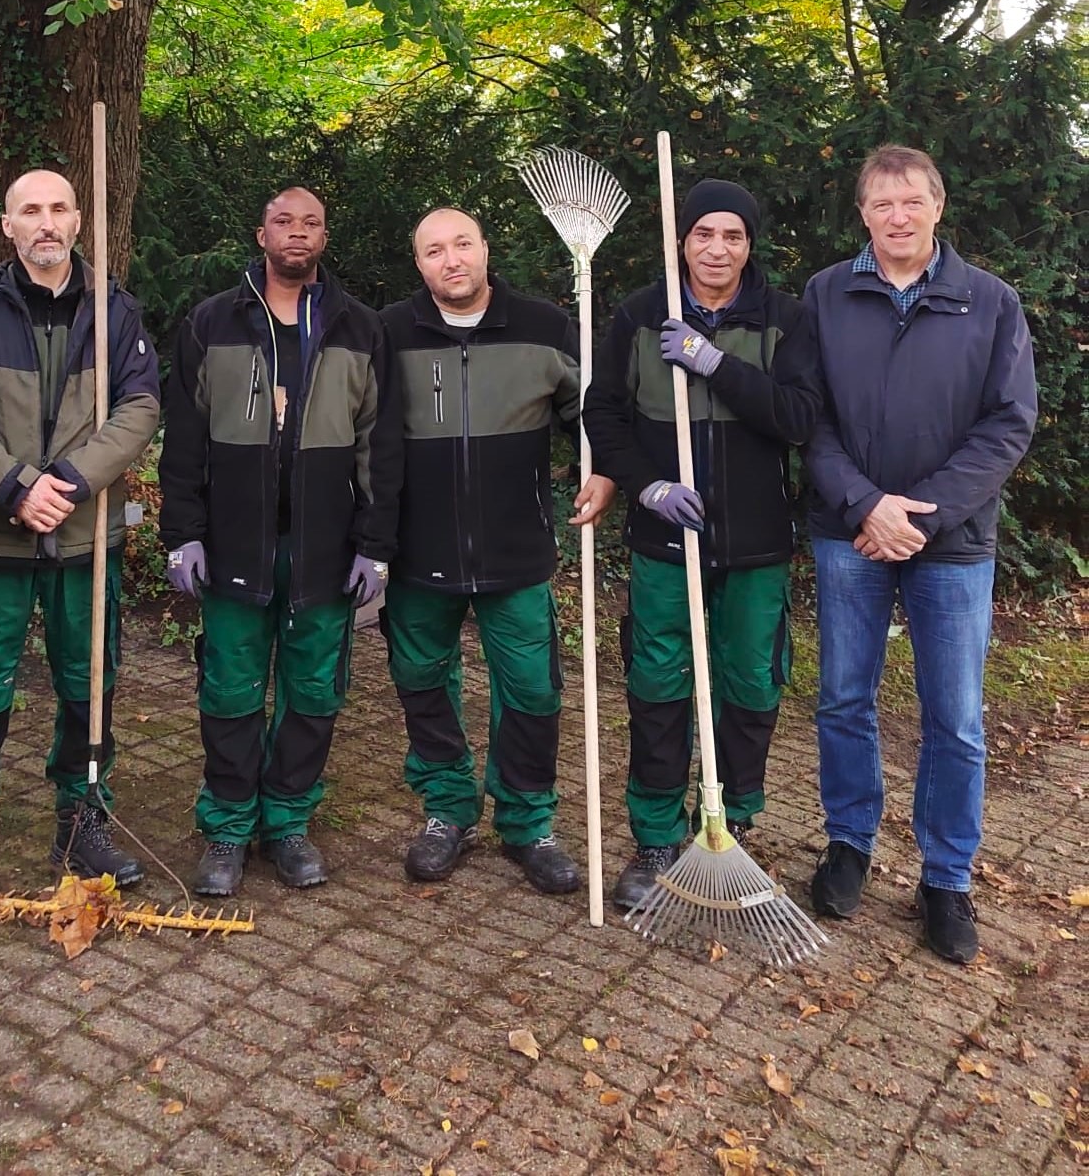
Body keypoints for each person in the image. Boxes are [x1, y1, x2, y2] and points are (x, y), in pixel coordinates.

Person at [0, 169, 160, 931]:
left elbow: (141, 404)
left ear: (79, 219)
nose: (45, 223)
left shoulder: (112, 308)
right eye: (30, 211)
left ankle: (83, 818)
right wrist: (14, 484)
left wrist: (73, 482)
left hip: (85, 539)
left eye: (57, 209)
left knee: (90, 686)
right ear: (8, 225)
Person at [805, 144, 1036, 963]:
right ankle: (849, 845)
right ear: (862, 212)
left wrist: (919, 517)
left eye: (912, 201)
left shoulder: (991, 302)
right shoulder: (827, 294)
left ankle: (946, 878)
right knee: (842, 697)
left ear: (939, 206)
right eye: (881, 203)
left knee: (957, 719)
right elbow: (811, 417)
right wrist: (865, 503)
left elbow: (1008, 424)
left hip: (953, 543)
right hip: (849, 533)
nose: (897, 216)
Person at [583, 180, 821, 909]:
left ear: (750, 245)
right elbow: (603, 412)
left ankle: (731, 824)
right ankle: (656, 833)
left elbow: (800, 417)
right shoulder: (638, 315)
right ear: (682, 241)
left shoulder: (783, 320)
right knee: (658, 686)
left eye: (734, 236)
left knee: (750, 684)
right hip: (665, 540)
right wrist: (648, 484)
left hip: (754, 544)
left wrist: (715, 362)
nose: (718, 249)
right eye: (704, 234)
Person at [159, 186, 400, 896]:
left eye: (312, 223)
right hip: (234, 545)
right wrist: (183, 534)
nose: (298, 233)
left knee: (313, 692)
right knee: (231, 691)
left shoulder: (359, 326)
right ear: (261, 233)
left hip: (326, 551)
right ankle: (230, 825)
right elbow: (184, 440)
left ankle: (288, 821)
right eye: (284, 222)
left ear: (325, 238)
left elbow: (378, 443)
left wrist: (375, 543)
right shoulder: (213, 322)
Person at [380, 207, 614, 894]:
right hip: (418, 552)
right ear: (418, 264)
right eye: (433, 250)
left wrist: (603, 468)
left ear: (485, 248)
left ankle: (527, 820)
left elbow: (593, 413)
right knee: (422, 682)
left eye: (462, 244)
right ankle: (448, 808)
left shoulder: (544, 325)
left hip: (517, 550)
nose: (451, 260)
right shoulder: (388, 333)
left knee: (534, 691)